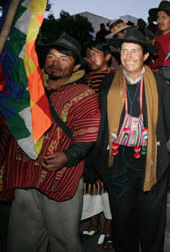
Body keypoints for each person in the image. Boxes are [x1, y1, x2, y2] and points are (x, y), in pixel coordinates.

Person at [4, 33, 101, 252]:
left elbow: (89, 135)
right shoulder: (27, 89)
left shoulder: (84, 95)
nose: (55, 62)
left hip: (61, 178)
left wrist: (67, 157)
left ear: (76, 66)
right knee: (22, 239)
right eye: (52, 55)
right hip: (26, 174)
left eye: (64, 58)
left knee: (64, 242)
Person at [93, 28, 170, 252]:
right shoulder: (109, 82)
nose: (128, 57)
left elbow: (168, 122)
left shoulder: (158, 83)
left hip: (150, 159)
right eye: (124, 51)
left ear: (146, 56)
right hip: (118, 162)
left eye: (134, 51)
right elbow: (100, 123)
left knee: (151, 219)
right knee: (122, 219)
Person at [82, 38, 116, 249]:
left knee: (109, 185)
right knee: (90, 183)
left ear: (108, 57)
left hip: (109, 137)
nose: (91, 58)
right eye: (88, 54)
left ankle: (110, 227)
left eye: (95, 53)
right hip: (88, 139)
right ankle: (94, 223)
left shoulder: (116, 78)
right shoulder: (82, 80)